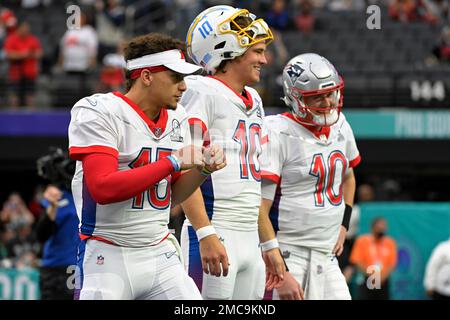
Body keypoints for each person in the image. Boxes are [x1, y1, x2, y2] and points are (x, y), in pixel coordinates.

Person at [68, 32, 226, 300]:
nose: (184, 87)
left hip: (159, 251)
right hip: (109, 252)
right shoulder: (99, 110)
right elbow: (102, 189)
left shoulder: (178, 117)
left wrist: (203, 170)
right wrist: (173, 161)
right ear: (146, 76)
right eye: (176, 77)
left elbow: (170, 196)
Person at [180, 5, 274, 299]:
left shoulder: (254, 98)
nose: (264, 59)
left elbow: (252, 180)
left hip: (248, 235)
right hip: (215, 228)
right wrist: (205, 232)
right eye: (256, 51)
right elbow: (185, 168)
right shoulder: (200, 90)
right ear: (228, 49)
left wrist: (268, 245)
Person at [259, 53, 361, 300]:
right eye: (317, 97)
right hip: (288, 252)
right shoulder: (277, 131)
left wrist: (343, 224)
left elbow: (348, 177)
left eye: (330, 93)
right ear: (295, 99)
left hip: (326, 255)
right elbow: (259, 207)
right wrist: (279, 269)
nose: (327, 103)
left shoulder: (341, 125)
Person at [35, 147, 80, 300]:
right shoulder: (58, 197)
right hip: (57, 267)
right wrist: (52, 207)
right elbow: (41, 234)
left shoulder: (88, 197)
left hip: (81, 268)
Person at [350, 217, 397, 300]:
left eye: (384, 227)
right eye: (379, 227)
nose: (382, 229)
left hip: (383, 281)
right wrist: (372, 276)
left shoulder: (390, 242)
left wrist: (381, 278)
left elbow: (392, 264)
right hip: (367, 279)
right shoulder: (362, 241)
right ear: (373, 227)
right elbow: (357, 261)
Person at [3, 21, 42, 108]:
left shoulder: (32, 39)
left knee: (30, 95)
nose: (26, 30)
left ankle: (31, 117)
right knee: (14, 95)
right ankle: (14, 116)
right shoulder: (11, 39)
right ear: (18, 28)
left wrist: (30, 54)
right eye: (24, 28)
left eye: (27, 28)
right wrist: (22, 54)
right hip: (15, 73)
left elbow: (39, 53)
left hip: (30, 73)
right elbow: (8, 54)